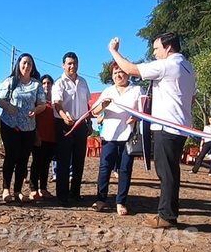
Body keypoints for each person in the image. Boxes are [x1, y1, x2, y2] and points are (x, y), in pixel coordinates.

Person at [109, 33, 196, 228]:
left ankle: (166, 216)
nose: (154, 53)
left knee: (166, 172)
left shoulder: (168, 65)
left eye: (156, 49)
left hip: (167, 126)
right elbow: (192, 98)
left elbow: (131, 69)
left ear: (168, 48)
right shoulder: (188, 67)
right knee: (171, 171)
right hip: (180, 126)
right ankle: (169, 213)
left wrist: (113, 51)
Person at [91, 62, 141, 216]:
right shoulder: (108, 90)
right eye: (115, 73)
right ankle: (100, 199)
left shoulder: (137, 90)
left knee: (125, 169)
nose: (118, 75)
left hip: (128, 135)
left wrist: (135, 117)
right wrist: (103, 106)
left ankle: (121, 202)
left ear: (127, 73)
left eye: (121, 72)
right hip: (109, 136)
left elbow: (143, 110)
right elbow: (94, 112)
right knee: (105, 168)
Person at [0, 53, 46, 202]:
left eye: (29, 64)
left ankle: (18, 190)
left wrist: (36, 110)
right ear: (18, 64)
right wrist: (8, 106)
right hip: (10, 125)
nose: (26, 66)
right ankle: (6, 189)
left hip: (29, 127)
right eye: (24, 63)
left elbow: (42, 104)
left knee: (23, 159)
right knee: (11, 156)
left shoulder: (36, 85)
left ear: (32, 67)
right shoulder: (11, 81)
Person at [52, 52, 91, 207]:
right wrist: (63, 116)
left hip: (81, 124)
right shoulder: (59, 83)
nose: (72, 66)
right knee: (63, 160)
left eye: (74, 63)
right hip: (64, 125)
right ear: (63, 65)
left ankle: (75, 193)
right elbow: (57, 104)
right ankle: (62, 195)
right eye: (69, 63)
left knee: (79, 160)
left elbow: (87, 103)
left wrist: (88, 122)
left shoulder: (83, 82)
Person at [29, 74, 56, 200]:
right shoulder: (37, 101)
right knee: (36, 163)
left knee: (46, 164)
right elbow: (33, 119)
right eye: (44, 83)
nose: (46, 85)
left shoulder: (55, 101)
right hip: (39, 137)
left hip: (52, 138)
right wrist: (35, 135)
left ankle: (43, 188)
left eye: (48, 83)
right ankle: (33, 189)